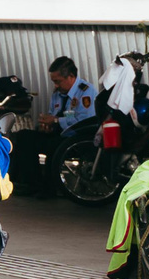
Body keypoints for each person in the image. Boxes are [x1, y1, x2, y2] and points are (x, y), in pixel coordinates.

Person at [8, 56, 97, 198]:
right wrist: (46, 125)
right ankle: (30, 182)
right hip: (58, 133)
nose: (55, 85)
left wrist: (56, 121)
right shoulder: (58, 94)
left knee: (53, 146)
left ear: (71, 77)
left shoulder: (85, 92)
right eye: (53, 82)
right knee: (23, 137)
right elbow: (54, 114)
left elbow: (83, 119)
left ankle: (48, 188)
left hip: (75, 137)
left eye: (58, 81)